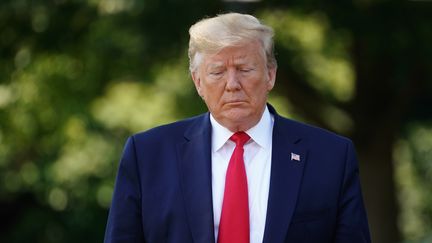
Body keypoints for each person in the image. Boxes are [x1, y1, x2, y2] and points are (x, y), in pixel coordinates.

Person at [104, 13, 371, 243]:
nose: (232, 84)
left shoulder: (331, 156)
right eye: (218, 72)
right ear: (198, 82)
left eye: (245, 69)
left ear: (270, 75)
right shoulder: (148, 155)